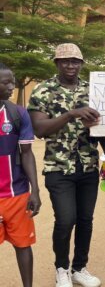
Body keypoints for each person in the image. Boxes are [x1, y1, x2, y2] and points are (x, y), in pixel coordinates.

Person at [28, 43, 105, 287]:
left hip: (87, 166)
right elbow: (40, 129)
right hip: (58, 167)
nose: (70, 65)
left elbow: (104, 129)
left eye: (75, 61)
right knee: (66, 220)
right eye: (65, 61)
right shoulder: (43, 91)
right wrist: (70, 115)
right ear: (56, 63)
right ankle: (61, 268)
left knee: (85, 219)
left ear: (81, 64)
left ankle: (79, 268)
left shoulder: (92, 90)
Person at [0, 64, 41, 287]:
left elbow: (27, 153)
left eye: (12, 81)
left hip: (17, 194)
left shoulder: (18, 113)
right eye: (5, 82)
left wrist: (35, 190)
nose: (11, 86)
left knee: (23, 245)